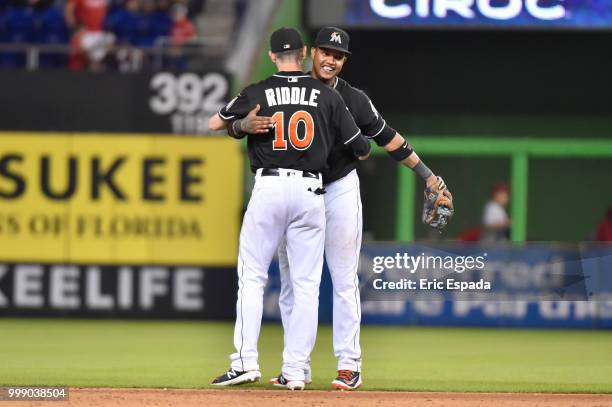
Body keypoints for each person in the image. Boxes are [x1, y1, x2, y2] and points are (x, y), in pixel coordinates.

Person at [211, 26, 450, 391]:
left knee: (342, 278)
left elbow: (389, 138)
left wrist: (428, 174)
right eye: (326, 52)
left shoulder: (352, 98)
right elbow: (238, 125)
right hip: (304, 191)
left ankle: (348, 364)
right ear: (312, 54)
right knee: (294, 282)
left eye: (338, 56)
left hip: (336, 188)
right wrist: (241, 126)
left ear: (343, 61)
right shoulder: (295, 91)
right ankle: (297, 368)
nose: (330, 60)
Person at [209, 27, 371, 391]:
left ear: (272, 56)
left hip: (268, 186)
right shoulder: (327, 97)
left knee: (252, 277)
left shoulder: (258, 91)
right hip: (311, 190)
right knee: (307, 286)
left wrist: (241, 126)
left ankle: (244, 363)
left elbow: (214, 123)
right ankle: (295, 371)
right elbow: (362, 148)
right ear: (304, 55)